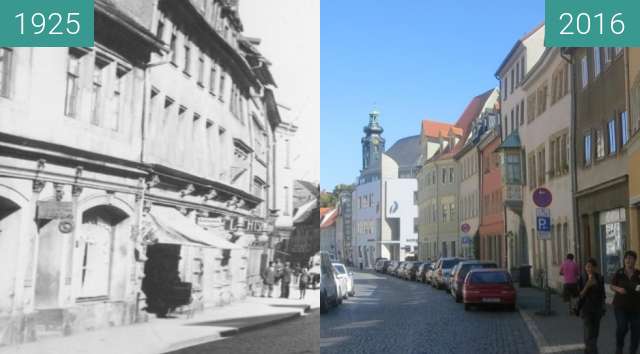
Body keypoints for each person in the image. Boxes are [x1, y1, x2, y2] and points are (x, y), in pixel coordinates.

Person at [610, 250, 640, 354]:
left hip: (635, 307)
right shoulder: (619, 272)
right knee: (622, 327)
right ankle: (619, 347)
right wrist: (619, 289)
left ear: (635, 260)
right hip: (620, 306)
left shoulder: (638, 274)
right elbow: (612, 285)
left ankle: (633, 350)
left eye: (631, 258)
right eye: (626, 258)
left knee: (636, 330)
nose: (628, 260)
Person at [577, 258, 606, 354]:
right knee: (589, 334)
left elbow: (603, 294)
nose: (588, 268)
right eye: (587, 266)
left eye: (591, 267)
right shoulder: (582, 277)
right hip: (586, 310)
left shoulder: (599, 278)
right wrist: (587, 285)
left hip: (597, 310)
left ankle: (587, 350)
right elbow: (580, 295)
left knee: (595, 334)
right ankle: (593, 351)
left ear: (595, 268)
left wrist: (603, 307)